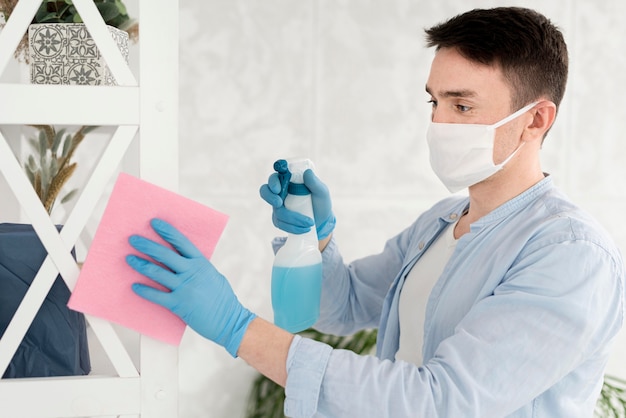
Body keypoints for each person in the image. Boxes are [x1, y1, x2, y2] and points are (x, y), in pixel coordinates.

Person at [125, 7, 625, 417]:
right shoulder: (441, 222)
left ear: (536, 119)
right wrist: (314, 241)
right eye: (433, 102)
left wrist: (237, 328)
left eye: (462, 106)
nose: (438, 123)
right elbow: (339, 308)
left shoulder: (570, 255)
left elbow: (437, 402)